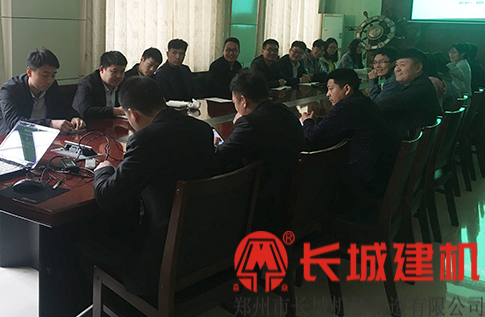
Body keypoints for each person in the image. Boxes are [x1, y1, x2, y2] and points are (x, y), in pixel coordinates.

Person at [88, 76, 218, 295]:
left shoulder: (145, 140)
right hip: (202, 243)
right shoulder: (202, 129)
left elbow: (106, 196)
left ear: (132, 114)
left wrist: (104, 169)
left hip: (159, 257)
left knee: (81, 243)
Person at [215, 69, 306, 233]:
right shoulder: (284, 110)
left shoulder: (250, 124)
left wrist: (216, 145)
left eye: (234, 102)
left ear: (243, 100)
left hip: (266, 199)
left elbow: (219, 158)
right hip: (294, 190)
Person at [301, 69, 396, 200]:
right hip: (381, 169)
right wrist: (317, 120)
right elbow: (338, 122)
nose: (328, 94)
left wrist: (307, 121)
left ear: (346, 89)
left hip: (364, 178)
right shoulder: (362, 100)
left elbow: (312, 136)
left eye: (331, 89)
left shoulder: (347, 105)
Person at [0, 48, 86, 135]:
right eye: (45, 75)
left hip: (44, 137)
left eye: (53, 75)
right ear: (29, 72)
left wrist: (74, 118)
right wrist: (50, 123)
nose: (49, 81)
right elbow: (14, 123)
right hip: (12, 138)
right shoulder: (10, 89)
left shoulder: (52, 86)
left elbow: (63, 108)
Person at [377, 48, 442, 141]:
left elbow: (383, 106)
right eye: (396, 65)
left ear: (418, 68)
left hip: (407, 144)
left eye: (402, 65)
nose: (397, 69)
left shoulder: (420, 89)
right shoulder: (422, 84)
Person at [73, 51, 127, 119]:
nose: (119, 76)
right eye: (114, 71)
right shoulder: (88, 84)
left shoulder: (124, 83)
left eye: (122, 72)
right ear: (102, 69)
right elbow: (85, 111)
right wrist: (116, 111)